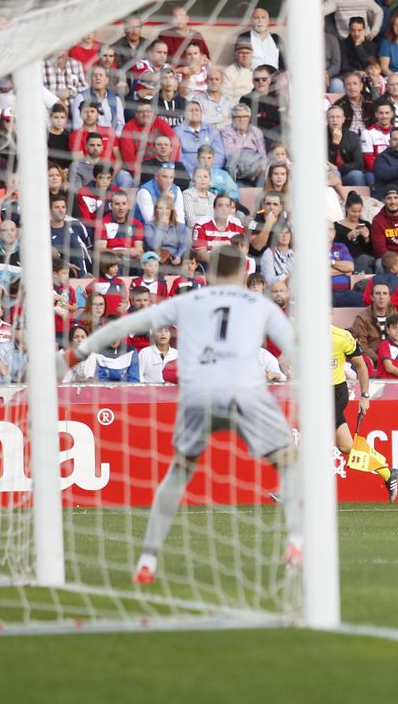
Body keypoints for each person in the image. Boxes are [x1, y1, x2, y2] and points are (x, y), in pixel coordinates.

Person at [58, 245, 303, 581]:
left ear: (211, 273)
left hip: (199, 392)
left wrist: (77, 353)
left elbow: (125, 324)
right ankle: (296, 541)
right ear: (244, 274)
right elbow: (294, 347)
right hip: (245, 390)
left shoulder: (188, 301)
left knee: (179, 472)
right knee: (289, 461)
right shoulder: (259, 303)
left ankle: (147, 560)